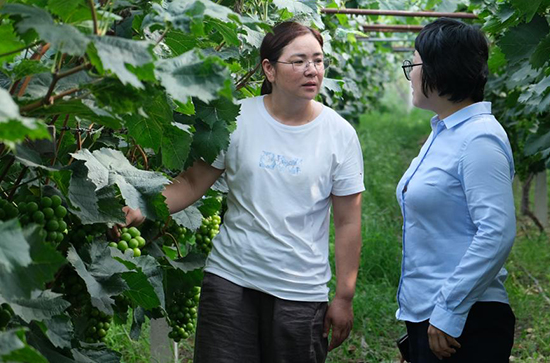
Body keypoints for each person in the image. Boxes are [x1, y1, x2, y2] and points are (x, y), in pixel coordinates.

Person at [122, 21, 364, 363]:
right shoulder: (239, 119)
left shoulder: (339, 134)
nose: (312, 70)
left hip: (300, 291)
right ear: (269, 68)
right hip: (231, 280)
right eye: (298, 61)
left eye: (318, 60)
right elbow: (192, 183)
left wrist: (344, 297)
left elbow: (348, 222)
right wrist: (142, 205)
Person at [396, 18, 516, 362]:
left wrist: (448, 310)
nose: (412, 74)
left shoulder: (479, 139)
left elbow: (497, 232)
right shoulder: (446, 132)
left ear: (440, 70)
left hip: (465, 320)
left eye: (414, 64)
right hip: (433, 318)